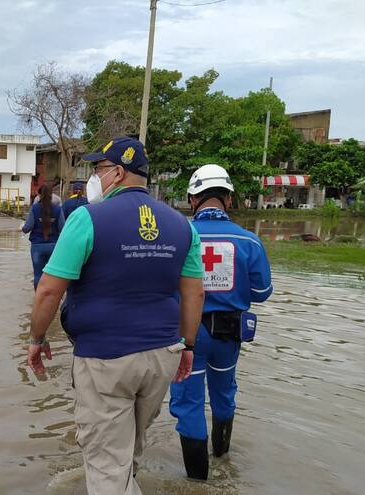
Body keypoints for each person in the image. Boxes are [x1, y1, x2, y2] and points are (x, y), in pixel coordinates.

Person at [27, 137, 205, 494]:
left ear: (119, 173)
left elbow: (48, 289)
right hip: (162, 356)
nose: (96, 176)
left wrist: (37, 338)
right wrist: (187, 346)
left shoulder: (87, 218)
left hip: (105, 359)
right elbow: (194, 293)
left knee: (107, 463)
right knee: (128, 451)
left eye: (99, 169)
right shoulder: (183, 225)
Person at [169, 164, 273, 480]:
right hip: (229, 335)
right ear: (228, 198)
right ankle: (222, 458)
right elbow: (262, 293)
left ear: (192, 199)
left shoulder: (178, 236)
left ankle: (197, 482)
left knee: (189, 402)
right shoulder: (250, 241)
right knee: (224, 394)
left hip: (187, 335)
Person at [21, 184, 64, 289]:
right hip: (53, 246)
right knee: (52, 275)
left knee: (38, 275)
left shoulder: (34, 208)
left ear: (39, 195)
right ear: (51, 195)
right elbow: (63, 229)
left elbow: (27, 228)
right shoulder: (58, 209)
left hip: (37, 246)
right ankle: (51, 296)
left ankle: (38, 297)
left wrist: (22, 227)